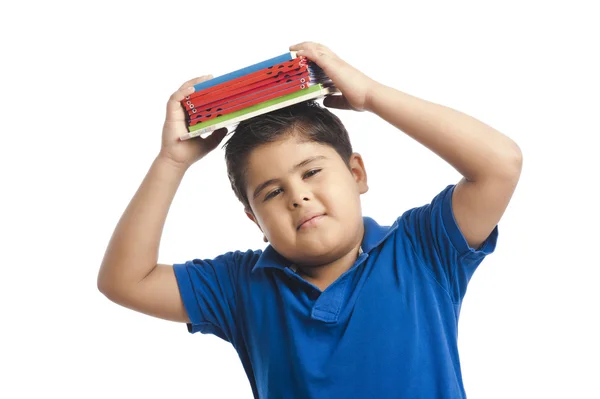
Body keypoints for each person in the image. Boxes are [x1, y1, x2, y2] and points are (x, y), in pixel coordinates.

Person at [98, 41, 523, 398]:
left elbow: (499, 165)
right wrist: (171, 161)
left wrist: (371, 95)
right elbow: (125, 281)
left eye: (312, 172)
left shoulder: (421, 250)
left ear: (357, 173)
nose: (298, 196)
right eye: (273, 192)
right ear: (255, 220)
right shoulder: (241, 285)